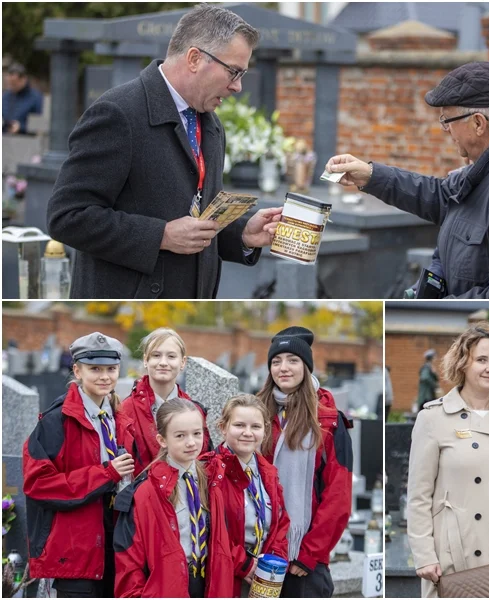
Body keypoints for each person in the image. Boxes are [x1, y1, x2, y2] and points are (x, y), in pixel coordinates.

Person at [46, 5, 283, 299]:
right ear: (195, 58)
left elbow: (197, 216)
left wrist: (243, 234)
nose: (237, 86)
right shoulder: (117, 113)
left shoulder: (210, 124)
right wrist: (161, 236)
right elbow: (67, 217)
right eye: (233, 71)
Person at [324, 61, 489, 299]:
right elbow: (444, 197)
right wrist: (371, 176)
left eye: (447, 120)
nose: (445, 129)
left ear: (478, 123)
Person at [407, 323, 489, 598]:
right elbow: (419, 496)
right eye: (481, 360)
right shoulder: (433, 418)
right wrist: (424, 555)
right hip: (454, 555)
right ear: (462, 364)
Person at [22, 332, 135, 597]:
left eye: (111, 369)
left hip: (115, 542)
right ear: (77, 370)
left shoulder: (119, 417)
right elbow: (38, 484)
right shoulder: (55, 421)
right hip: (75, 551)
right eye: (94, 369)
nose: (104, 376)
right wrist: (106, 474)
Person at [258, 326, 354, 597]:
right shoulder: (257, 414)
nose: (283, 368)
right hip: (262, 554)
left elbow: (339, 494)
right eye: (276, 361)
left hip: (305, 562)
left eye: (292, 360)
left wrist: (309, 553)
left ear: (306, 367)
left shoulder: (329, 421)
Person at [113, 398, 234, 597]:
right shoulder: (146, 493)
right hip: (166, 587)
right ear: (162, 440)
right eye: (180, 436)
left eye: (197, 433)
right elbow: (129, 561)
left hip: (209, 585)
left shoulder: (213, 481)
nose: (191, 442)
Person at [202, 394, 290, 597]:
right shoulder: (209, 471)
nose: (247, 433)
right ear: (223, 427)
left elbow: (281, 522)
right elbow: (209, 531)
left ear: (265, 431)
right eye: (239, 425)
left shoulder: (268, 472)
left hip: (262, 577)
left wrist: (271, 562)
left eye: (256, 427)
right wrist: (246, 564)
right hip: (226, 576)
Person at [120, 328, 212, 476]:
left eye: (171, 356)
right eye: (156, 355)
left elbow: (203, 458)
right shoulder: (126, 409)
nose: (163, 362)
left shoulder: (195, 410)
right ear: (145, 360)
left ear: (182, 362)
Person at [2, 62, 44, 134]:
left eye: (14, 82)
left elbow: (40, 125)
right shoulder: (5, 96)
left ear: (23, 79)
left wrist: (21, 127)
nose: (12, 85)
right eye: (10, 82)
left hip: (26, 140)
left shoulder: (35, 98)